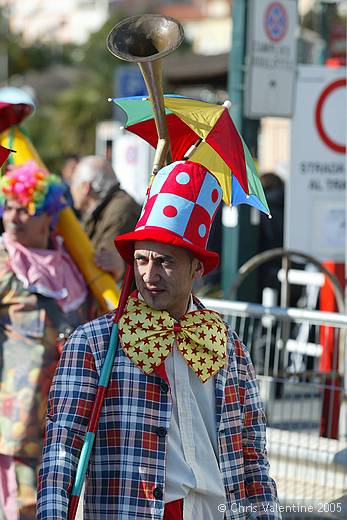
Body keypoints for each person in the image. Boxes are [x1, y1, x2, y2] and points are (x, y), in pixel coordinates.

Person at [37, 161, 281, 519]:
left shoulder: (227, 345)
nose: (149, 275)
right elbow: (60, 452)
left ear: (197, 268)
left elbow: (252, 458)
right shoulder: (94, 343)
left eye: (165, 261)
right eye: (140, 259)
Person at [0, 161, 89, 520]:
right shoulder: (5, 262)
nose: (15, 216)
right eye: (11, 207)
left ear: (49, 218)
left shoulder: (73, 263)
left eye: (27, 209)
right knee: (22, 506)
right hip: (16, 419)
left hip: (64, 414)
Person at [70, 155, 141, 282]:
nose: (71, 189)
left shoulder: (120, 210)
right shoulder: (106, 208)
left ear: (86, 187)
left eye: (73, 183)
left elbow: (102, 263)